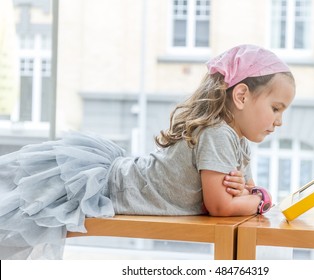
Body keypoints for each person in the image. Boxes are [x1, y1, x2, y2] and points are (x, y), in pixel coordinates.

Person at [0, 44, 295, 259]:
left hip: (119, 179)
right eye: (276, 108)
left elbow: (246, 193)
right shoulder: (218, 133)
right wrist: (261, 200)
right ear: (241, 96)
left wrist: (253, 196)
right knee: (17, 210)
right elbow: (223, 206)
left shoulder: (236, 140)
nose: (279, 121)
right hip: (105, 186)